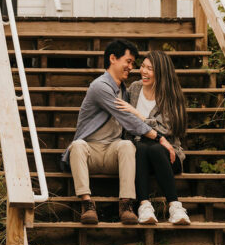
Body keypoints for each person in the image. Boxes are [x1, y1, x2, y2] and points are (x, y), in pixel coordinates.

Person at [63, 38, 164, 226]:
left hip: (112, 152)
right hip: (89, 152)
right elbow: (127, 119)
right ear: (112, 59)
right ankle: (86, 204)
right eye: (128, 61)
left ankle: (126, 205)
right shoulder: (100, 86)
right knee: (76, 146)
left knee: (127, 145)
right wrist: (158, 137)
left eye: (133, 63)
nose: (131, 67)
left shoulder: (125, 92)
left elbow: (133, 119)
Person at [117, 49, 191, 225]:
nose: (143, 71)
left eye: (149, 68)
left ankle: (174, 207)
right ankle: (145, 206)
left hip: (167, 155)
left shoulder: (171, 96)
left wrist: (139, 116)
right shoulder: (134, 89)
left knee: (156, 147)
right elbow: (126, 123)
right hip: (140, 154)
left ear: (161, 72)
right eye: (142, 66)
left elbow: (166, 129)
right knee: (141, 146)